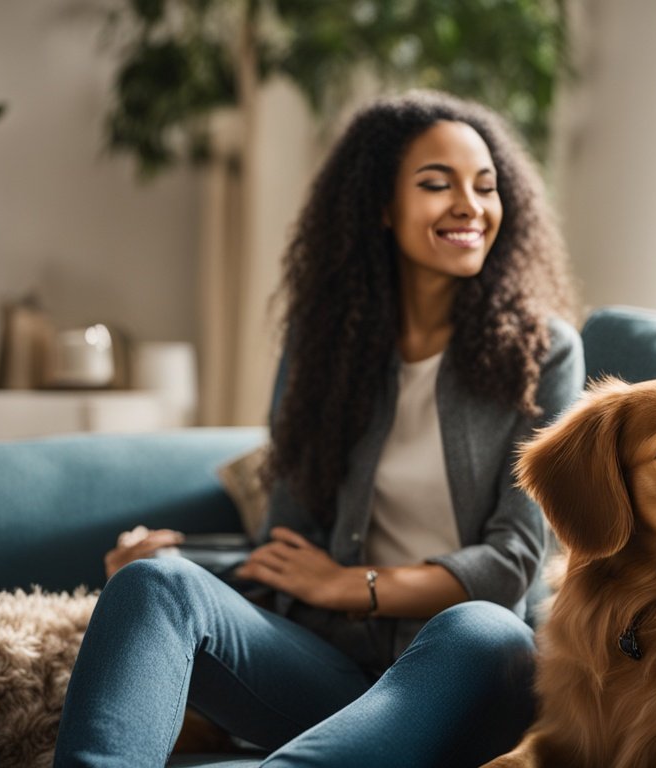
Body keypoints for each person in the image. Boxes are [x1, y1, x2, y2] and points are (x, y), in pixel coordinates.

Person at [53, 90, 583, 767]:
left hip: (471, 669)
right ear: (383, 208)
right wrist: (182, 557)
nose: (470, 206)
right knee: (155, 586)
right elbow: (290, 551)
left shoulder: (545, 353)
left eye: (486, 186)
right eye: (435, 183)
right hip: (331, 671)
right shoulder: (322, 348)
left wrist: (353, 585)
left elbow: (512, 564)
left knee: (479, 628)